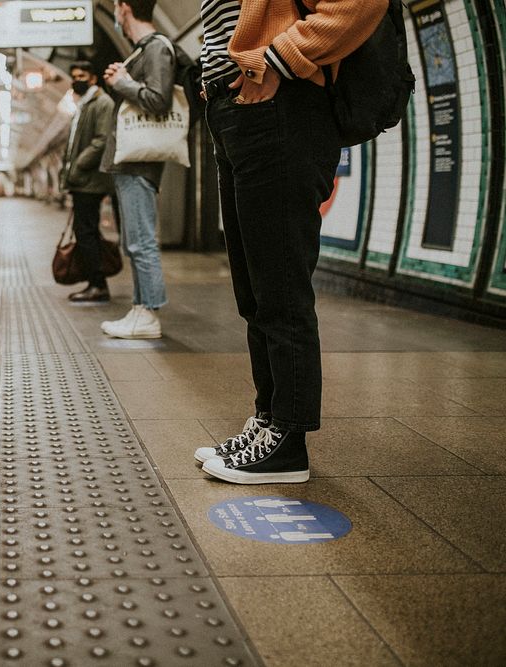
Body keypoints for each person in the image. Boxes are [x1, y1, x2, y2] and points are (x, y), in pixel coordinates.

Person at [194, 0, 388, 484]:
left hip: (282, 107)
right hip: (236, 111)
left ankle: (289, 440)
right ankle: (268, 421)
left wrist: (278, 61)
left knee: (279, 287)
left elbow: (361, 3)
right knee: (255, 292)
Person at [99, 0, 177, 339]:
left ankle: (149, 313)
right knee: (133, 240)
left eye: (116, 7)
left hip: (140, 160)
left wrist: (123, 84)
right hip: (129, 160)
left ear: (123, 8)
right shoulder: (143, 49)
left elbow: (159, 100)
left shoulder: (158, 47)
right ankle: (139, 308)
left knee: (142, 240)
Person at [61, 61, 116, 303]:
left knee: (87, 231)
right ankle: (94, 280)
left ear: (93, 79)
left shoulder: (102, 103)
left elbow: (101, 140)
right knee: (86, 230)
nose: (76, 80)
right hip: (82, 180)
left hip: (90, 179)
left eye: (81, 75)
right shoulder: (83, 105)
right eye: (73, 76)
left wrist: (78, 166)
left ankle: (98, 284)